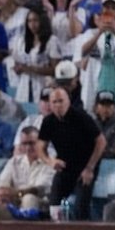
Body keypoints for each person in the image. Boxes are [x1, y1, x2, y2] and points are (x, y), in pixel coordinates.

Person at [38, 86, 107, 222]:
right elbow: (40, 147)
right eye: (54, 102)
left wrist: (90, 168)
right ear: (50, 105)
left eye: (61, 101)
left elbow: (101, 142)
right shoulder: (48, 122)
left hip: (85, 165)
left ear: (68, 101)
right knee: (54, 203)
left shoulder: (81, 117)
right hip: (65, 165)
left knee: (81, 205)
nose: (58, 105)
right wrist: (50, 161)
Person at [0, 127, 55, 220]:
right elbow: (1, 183)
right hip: (13, 200)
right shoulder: (14, 161)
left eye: (32, 143)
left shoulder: (50, 162)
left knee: (29, 198)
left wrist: (16, 193)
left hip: (40, 204)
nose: (28, 147)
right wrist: (1, 193)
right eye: (24, 143)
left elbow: (40, 189)